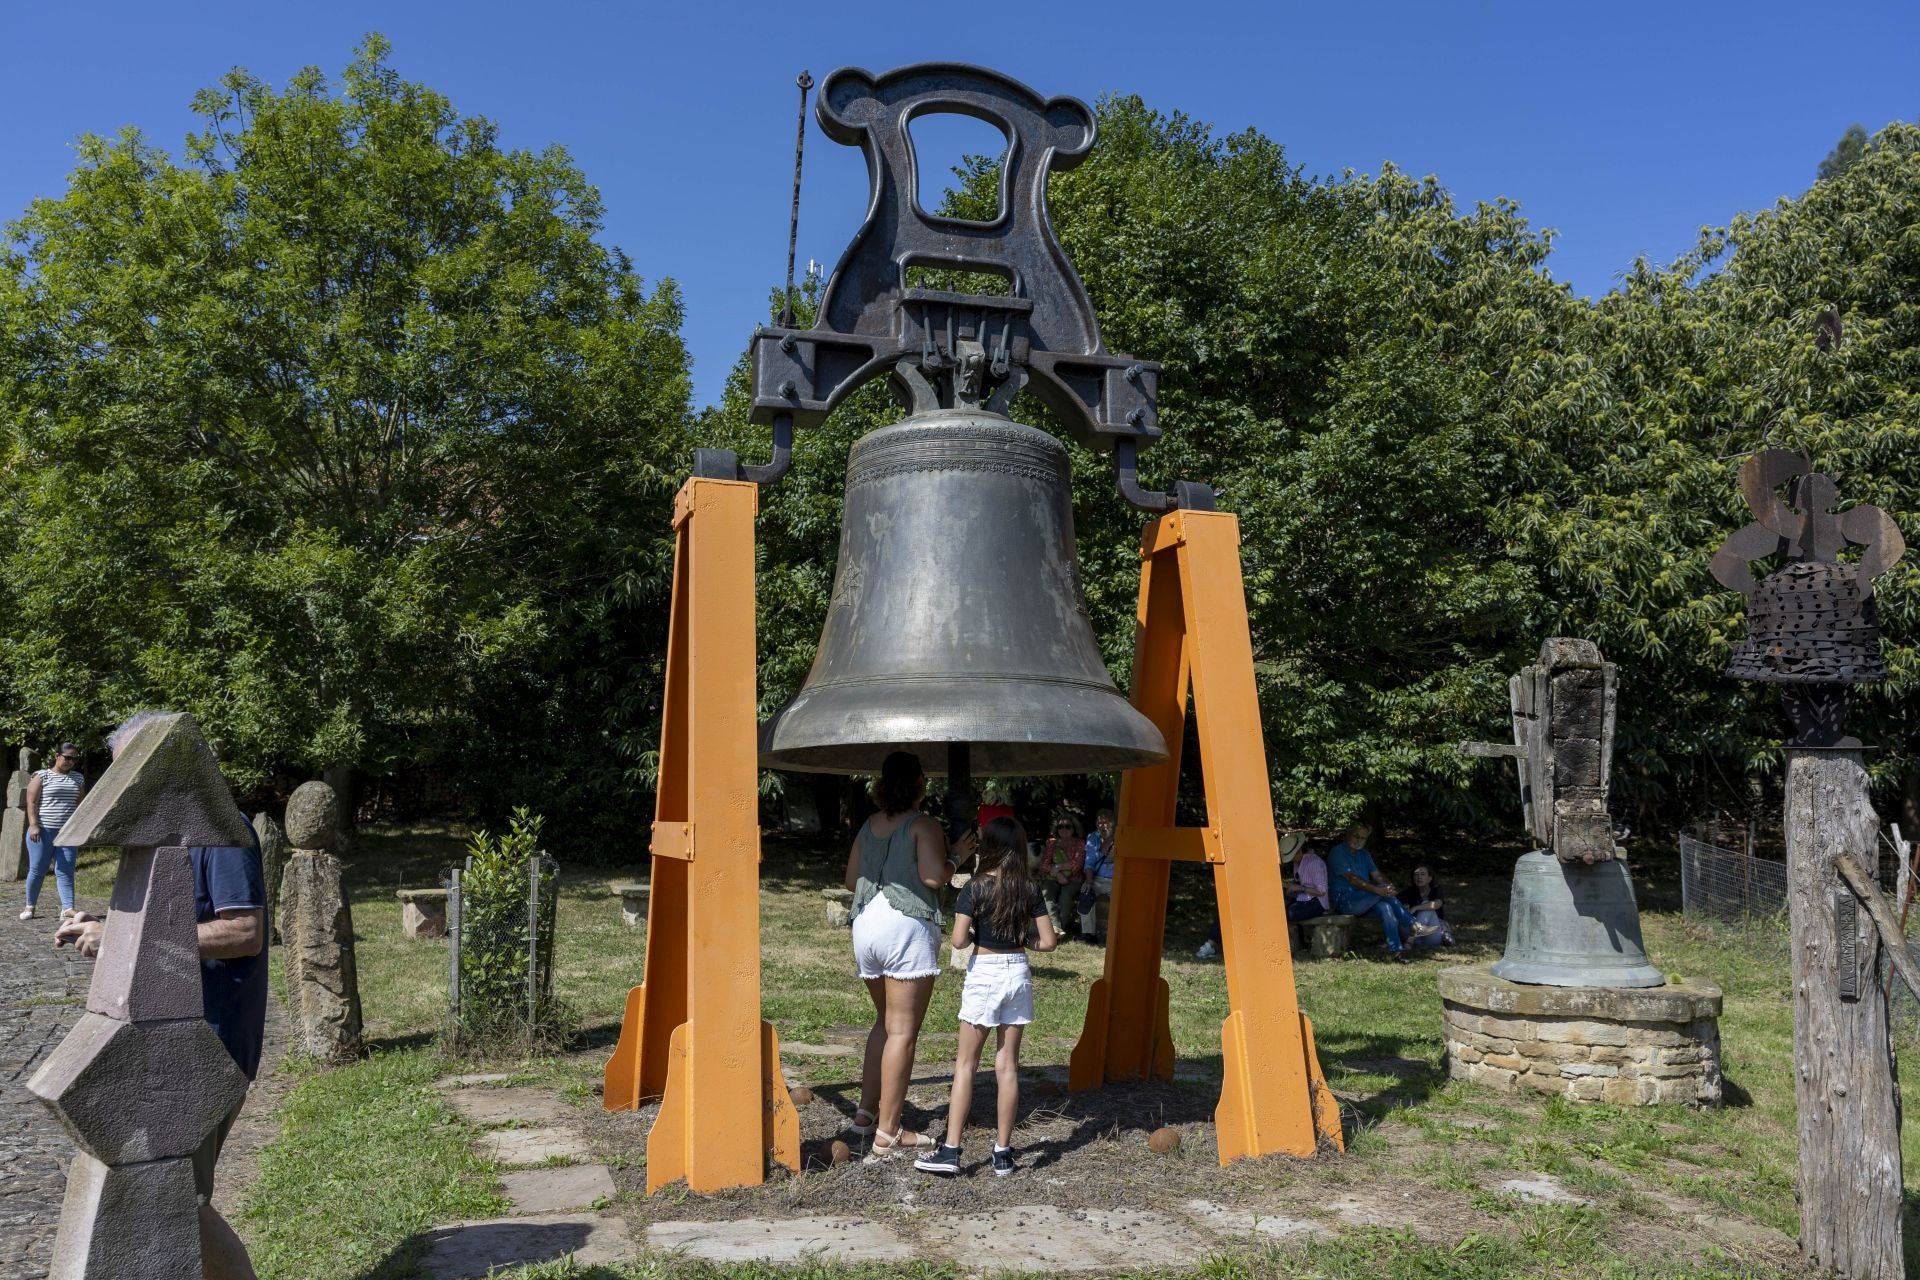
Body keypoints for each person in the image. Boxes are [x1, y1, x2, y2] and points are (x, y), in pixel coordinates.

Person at [56, 712, 266, 1280]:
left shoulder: (223, 835)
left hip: (208, 1045)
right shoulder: (165, 837)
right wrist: (103, 924)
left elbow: (245, 932)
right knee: (159, 1193)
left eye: (134, 771)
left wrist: (124, 939)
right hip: (161, 1044)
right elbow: (173, 924)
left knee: (179, 1202)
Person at [843, 750, 974, 1160]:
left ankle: (865, 1114)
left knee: (884, 1024)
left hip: (866, 925)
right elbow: (934, 876)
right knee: (902, 1031)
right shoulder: (923, 825)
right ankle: (889, 1133)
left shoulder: (869, 825)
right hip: (905, 927)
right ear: (919, 784)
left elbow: (851, 881)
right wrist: (957, 856)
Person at [915, 816, 1057, 1177]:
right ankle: (1003, 1152)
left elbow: (959, 940)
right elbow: (1049, 941)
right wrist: (1023, 940)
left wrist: (976, 927)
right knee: (1007, 1065)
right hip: (1018, 973)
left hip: (986, 974)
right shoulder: (1028, 888)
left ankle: (950, 1151)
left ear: (988, 846)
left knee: (966, 1064)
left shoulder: (975, 888)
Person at [1197, 831, 1313, 959]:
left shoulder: (1305, 863)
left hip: (1274, 897)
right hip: (1261, 895)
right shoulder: (1260, 858)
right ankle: (1212, 943)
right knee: (1233, 909)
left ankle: (1215, 944)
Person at [1327, 822, 1422, 963]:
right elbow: (1353, 879)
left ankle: (1396, 953)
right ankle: (1412, 925)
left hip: (1366, 901)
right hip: (1346, 902)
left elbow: (1377, 875)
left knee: (1386, 907)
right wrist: (1378, 890)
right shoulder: (1337, 852)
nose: (1359, 840)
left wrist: (1388, 885)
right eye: (1356, 836)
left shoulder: (1364, 853)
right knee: (1385, 896)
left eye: (1363, 838)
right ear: (1348, 834)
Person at [20, 742, 86, 921]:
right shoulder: (41, 776)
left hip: (68, 833)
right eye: (67, 757)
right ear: (57, 756)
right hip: (43, 831)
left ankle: (68, 908)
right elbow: (31, 802)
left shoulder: (78, 778)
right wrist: (34, 825)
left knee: (66, 870)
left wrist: (80, 827)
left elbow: (80, 804)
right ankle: (30, 906)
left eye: (74, 759)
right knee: (37, 869)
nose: (71, 761)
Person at [1038, 815, 1084, 931]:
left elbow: (1077, 864)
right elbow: (1044, 865)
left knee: (1065, 896)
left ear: (1074, 828)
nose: (1064, 829)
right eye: (1060, 826)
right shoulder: (1051, 843)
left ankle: (1062, 927)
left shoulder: (1080, 843)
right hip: (1053, 877)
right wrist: (1058, 874)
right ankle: (1055, 926)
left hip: (1074, 878)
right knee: (1046, 896)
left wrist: (1058, 867)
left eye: (1067, 826)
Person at [1077, 808, 1116, 941]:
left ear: (1112, 823)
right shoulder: (1093, 837)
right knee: (1085, 895)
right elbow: (1089, 862)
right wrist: (1088, 881)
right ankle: (1088, 934)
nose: (1102, 825)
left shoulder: (1121, 837)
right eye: (1099, 822)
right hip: (1097, 878)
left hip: (1116, 880)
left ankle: (1118, 934)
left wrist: (1112, 838)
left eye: (1105, 822)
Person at [1398, 864, 1454, 946]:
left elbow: (1437, 904)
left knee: (1427, 906)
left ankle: (1410, 939)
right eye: (1416, 874)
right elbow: (1393, 903)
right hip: (1413, 931)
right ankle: (1394, 939)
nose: (1419, 877)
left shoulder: (1436, 890)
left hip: (1431, 936)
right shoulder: (1410, 892)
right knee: (1396, 913)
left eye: (1422, 874)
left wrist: (1416, 908)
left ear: (1430, 878)